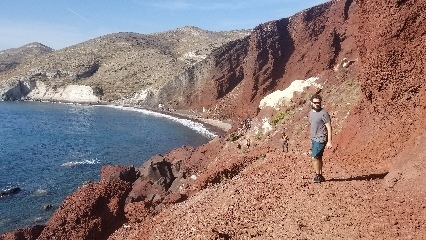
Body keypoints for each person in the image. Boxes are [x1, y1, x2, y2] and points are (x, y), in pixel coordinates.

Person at [309, 94, 332, 183]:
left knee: (314, 157)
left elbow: (329, 127)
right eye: (315, 103)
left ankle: (318, 175)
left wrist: (329, 141)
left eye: (318, 103)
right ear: (311, 103)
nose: (317, 104)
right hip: (314, 139)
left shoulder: (324, 113)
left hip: (321, 138)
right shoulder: (311, 113)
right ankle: (320, 175)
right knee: (318, 158)